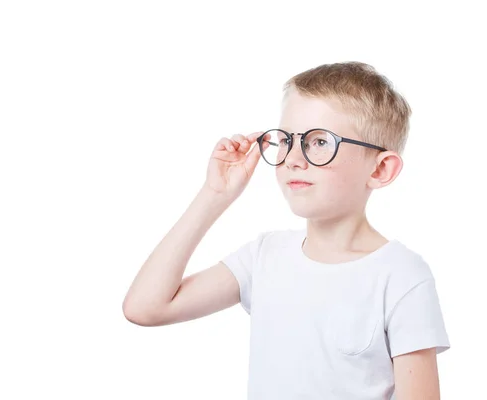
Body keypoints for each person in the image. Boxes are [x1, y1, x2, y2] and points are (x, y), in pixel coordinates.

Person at [122, 61, 451, 399]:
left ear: (380, 169)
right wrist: (214, 196)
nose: (293, 157)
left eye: (320, 142)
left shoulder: (401, 275)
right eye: (286, 140)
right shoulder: (264, 257)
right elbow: (145, 308)